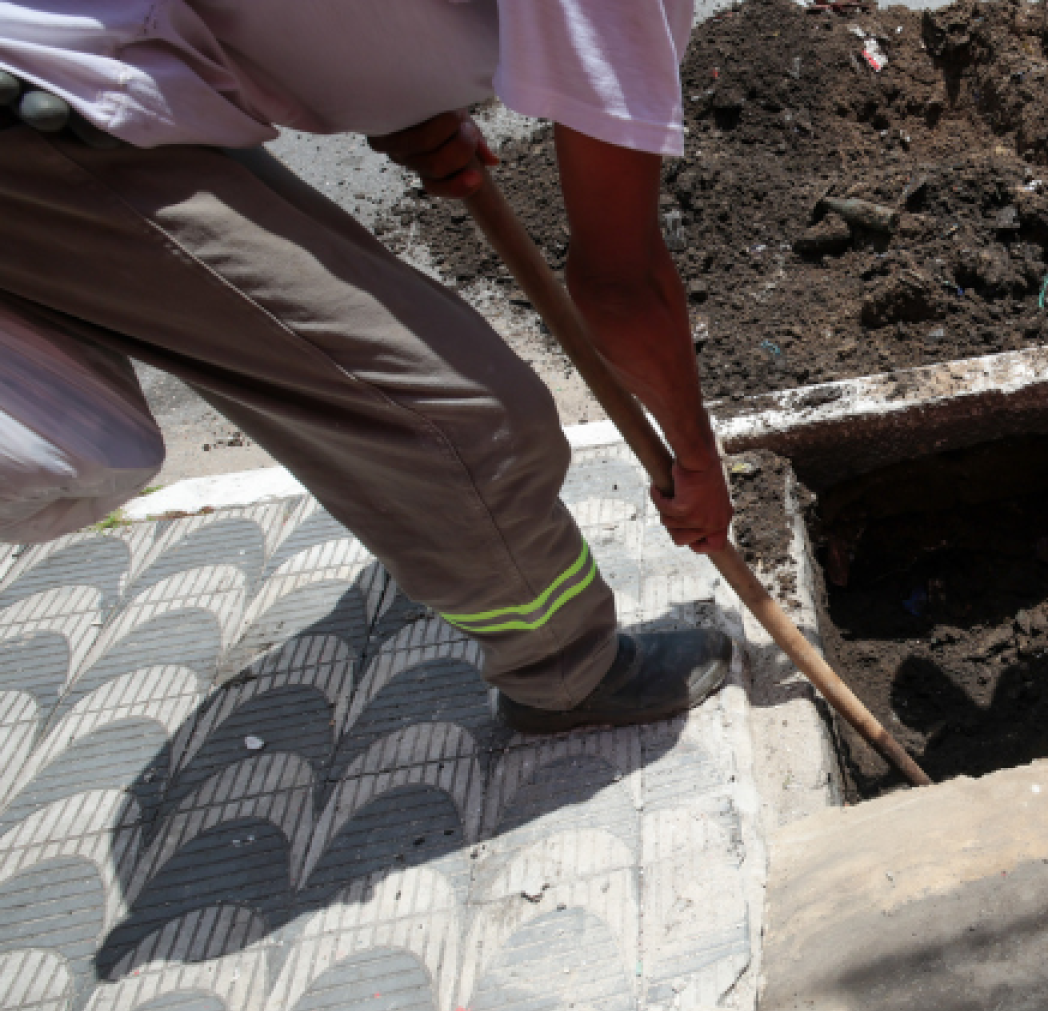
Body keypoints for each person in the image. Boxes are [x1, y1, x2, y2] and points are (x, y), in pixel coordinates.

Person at [0, 0, 737, 734]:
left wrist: (398, 104)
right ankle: (565, 674)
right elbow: (617, 281)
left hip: (106, 87)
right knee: (470, 420)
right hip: (48, 120)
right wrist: (696, 461)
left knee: (346, 375)